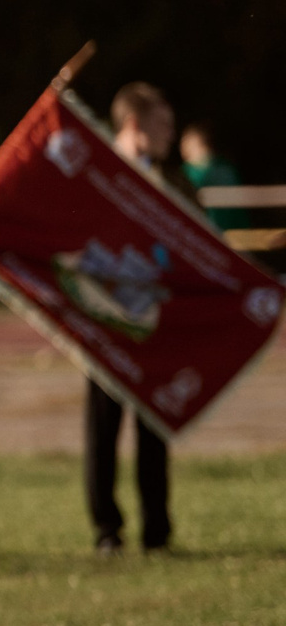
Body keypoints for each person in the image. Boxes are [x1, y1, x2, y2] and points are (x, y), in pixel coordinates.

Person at [87, 83, 181, 555]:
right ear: (134, 126)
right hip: (106, 320)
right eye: (162, 125)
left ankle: (157, 532)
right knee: (104, 429)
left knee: (153, 426)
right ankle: (107, 529)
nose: (171, 135)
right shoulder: (98, 176)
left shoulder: (168, 182)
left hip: (151, 320)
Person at [178, 122, 245, 232]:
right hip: (231, 235)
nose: (182, 147)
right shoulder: (227, 168)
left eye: (185, 142)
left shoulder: (186, 173)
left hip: (202, 234)